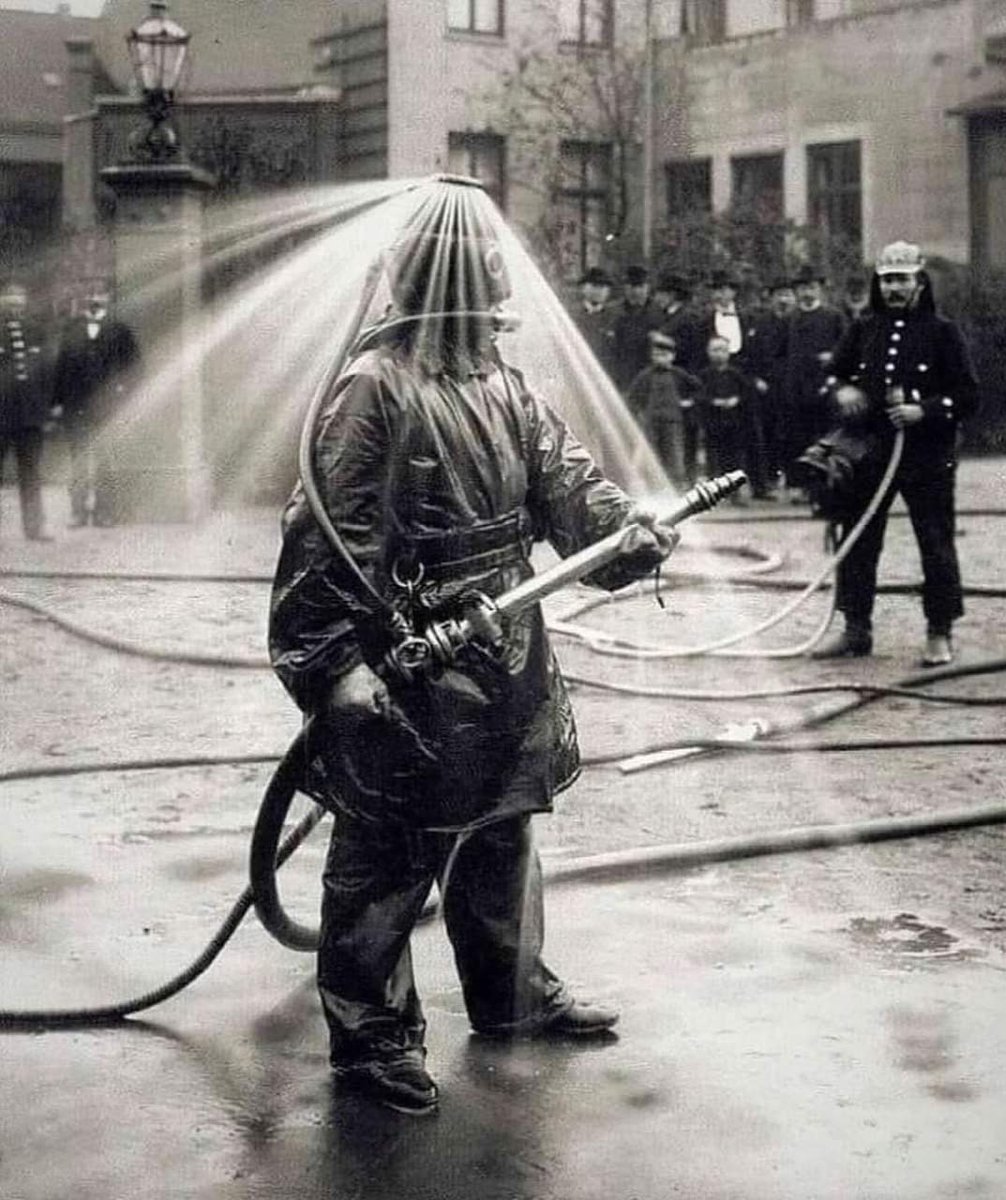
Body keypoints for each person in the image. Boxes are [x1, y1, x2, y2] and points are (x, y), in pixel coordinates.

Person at [268, 180, 677, 1116]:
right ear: (427, 286)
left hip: (506, 648)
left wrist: (626, 531)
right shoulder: (373, 391)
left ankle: (511, 993)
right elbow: (324, 541)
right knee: (388, 845)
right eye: (476, 290)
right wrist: (335, 669)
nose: (490, 310)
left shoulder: (504, 384)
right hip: (410, 653)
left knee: (501, 827)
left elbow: (567, 485)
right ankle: (371, 1036)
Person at [811, 240, 979, 666]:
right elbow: (831, 376)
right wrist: (844, 388)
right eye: (887, 280)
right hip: (870, 451)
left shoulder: (943, 332)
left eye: (902, 279)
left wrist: (923, 410)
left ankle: (939, 631)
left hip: (927, 455)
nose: (894, 288)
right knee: (858, 538)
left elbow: (968, 395)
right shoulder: (863, 329)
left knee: (934, 541)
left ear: (919, 281)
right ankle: (856, 629)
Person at [52, 285, 139, 527]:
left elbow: (134, 367)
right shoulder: (72, 328)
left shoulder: (119, 329)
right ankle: (78, 513)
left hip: (107, 408)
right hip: (75, 407)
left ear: (108, 298)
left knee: (106, 461)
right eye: (90, 295)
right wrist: (57, 403)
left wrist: (123, 395)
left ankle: (105, 513)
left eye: (99, 295)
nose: (94, 299)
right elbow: (61, 368)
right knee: (78, 461)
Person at [780, 265, 847, 501]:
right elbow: (780, 354)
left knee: (824, 438)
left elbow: (848, 349)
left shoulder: (834, 317)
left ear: (819, 289)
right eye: (802, 288)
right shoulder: (789, 319)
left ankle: (822, 488)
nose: (807, 292)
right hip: (796, 389)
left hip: (825, 387)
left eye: (811, 287)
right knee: (796, 438)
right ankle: (797, 487)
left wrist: (833, 357)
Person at [0, 279, 54, 541]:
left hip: (29, 415)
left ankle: (35, 528)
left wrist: (47, 409)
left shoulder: (36, 331)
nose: (15, 301)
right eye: (9, 295)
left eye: (19, 295)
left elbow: (46, 373)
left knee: (31, 472)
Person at [625, 328, 702, 488]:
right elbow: (632, 397)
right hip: (651, 421)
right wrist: (639, 414)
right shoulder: (645, 375)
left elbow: (698, 388)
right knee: (651, 452)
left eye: (664, 355)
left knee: (674, 452)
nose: (660, 359)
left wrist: (689, 402)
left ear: (672, 356)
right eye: (656, 355)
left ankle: (676, 483)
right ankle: (652, 484)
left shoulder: (679, 374)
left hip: (673, 421)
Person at [746, 276, 797, 498]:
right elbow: (751, 354)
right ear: (772, 298)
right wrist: (756, 378)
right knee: (766, 434)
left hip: (794, 387)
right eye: (779, 296)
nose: (783, 300)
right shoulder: (761, 323)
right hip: (766, 387)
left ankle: (796, 482)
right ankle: (767, 482)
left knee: (794, 434)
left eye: (787, 295)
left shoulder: (799, 321)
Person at [697, 333, 753, 500]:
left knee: (735, 457)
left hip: (734, 422)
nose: (719, 354)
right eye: (715, 350)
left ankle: (735, 491)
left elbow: (747, 394)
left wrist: (736, 400)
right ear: (708, 352)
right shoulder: (703, 375)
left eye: (722, 350)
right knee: (714, 457)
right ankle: (714, 491)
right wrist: (714, 401)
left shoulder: (736, 374)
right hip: (713, 422)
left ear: (729, 352)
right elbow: (699, 396)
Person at [609, 264, 664, 394]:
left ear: (648, 288)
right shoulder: (613, 311)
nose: (635, 291)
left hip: (649, 372)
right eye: (631, 287)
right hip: (621, 372)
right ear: (625, 288)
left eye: (640, 287)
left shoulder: (658, 312)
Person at [571, 265, 615, 372]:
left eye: (604, 287)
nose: (599, 291)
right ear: (583, 288)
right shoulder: (571, 315)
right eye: (595, 285)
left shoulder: (615, 317)